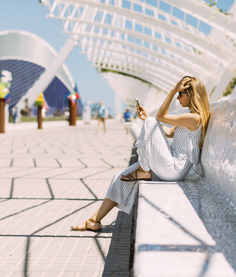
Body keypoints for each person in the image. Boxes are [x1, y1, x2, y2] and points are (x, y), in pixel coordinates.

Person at [71, 76, 210, 231]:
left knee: (152, 121)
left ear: (191, 94)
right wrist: (146, 119)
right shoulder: (190, 117)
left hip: (174, 169)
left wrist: (172, 91)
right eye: (177, 94)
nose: (178, 98)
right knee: (121, 176)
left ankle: (144, 170)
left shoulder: (194, 118)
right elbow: (169, 132)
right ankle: (94, 220)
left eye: (180, 94)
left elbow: (160, 117)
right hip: (171, 166)